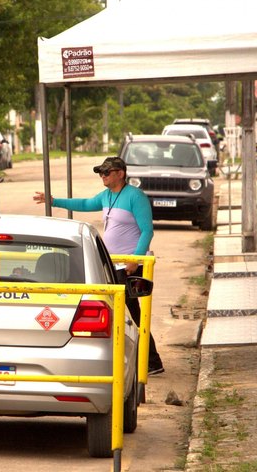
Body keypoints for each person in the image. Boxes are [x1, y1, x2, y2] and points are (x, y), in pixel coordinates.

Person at [33, 156, 164, 374]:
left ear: (120, 173)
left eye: (106, 172)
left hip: (130, 266)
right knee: (118, 315)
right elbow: (84, 204)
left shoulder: (135, 196)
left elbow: (147, 230)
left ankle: (152, 361)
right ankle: (131, 358)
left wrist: (135, 258)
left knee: (132, 315)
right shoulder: (107, 196)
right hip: (114, 265)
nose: (102, 176)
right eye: (100, 173)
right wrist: (54, 201)